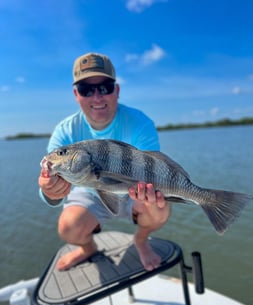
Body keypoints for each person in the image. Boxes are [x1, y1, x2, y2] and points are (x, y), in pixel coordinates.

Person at [38, 52, 171, 272]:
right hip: (89, 191)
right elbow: (48, 186)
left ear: (116, 90)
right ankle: (87, 248)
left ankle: (141, 240)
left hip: (131, 191)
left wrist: (149, 193)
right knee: (68, 227)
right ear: (76, 94)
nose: (97, 97)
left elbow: (151, 170)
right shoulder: (65, 131)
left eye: (105, 87)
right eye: (86, 90)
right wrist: (50, 191)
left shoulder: (140, 123)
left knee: (159, 209)